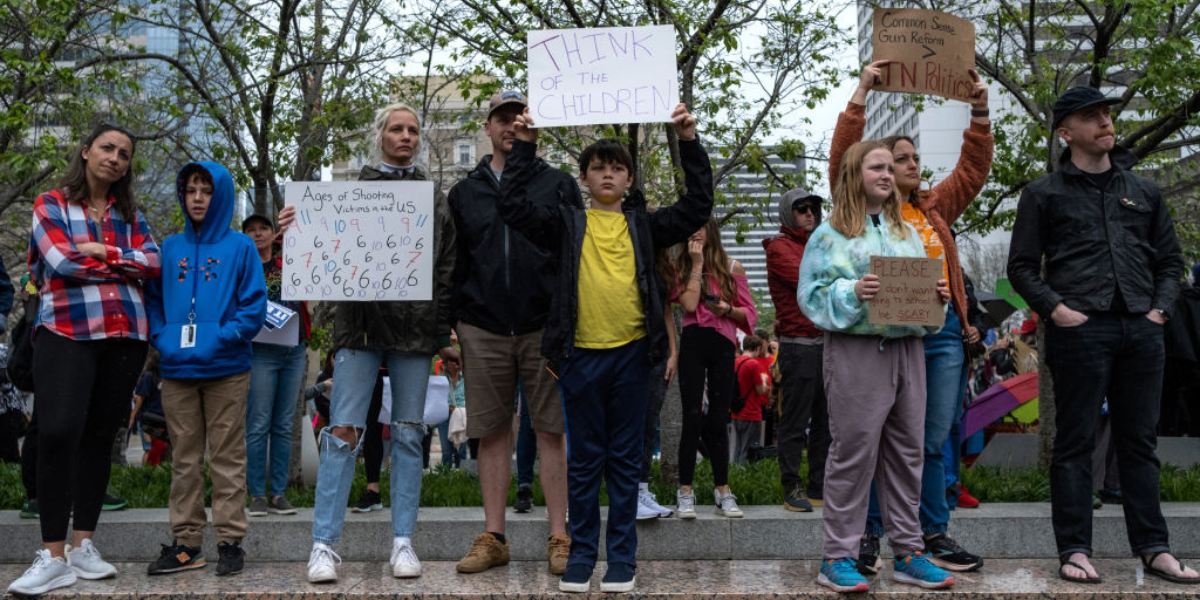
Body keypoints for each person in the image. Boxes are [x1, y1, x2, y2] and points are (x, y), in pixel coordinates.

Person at [499, 103, 711, 593]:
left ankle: (621, 559)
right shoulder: (567, 223)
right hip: (579, 359)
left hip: (634, 357)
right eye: (599, 168)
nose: (608, 174)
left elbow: (698, 205)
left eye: (617, 168)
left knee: (625, 461)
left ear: (630, 179)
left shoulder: (646, 224)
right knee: (585, 460)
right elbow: (511, 206)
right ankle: (580, 557)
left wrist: (688, 140)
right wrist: (526, 145)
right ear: (586, 177)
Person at [1007, 86, 1193, 585]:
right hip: (1080, 330)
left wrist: (1160, 311)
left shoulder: (1144, 190)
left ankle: (1155, 549)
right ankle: (1074, 551)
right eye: (1092, 117)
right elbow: (1022, 267)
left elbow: (1171, 262)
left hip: (1141, 328)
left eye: (1107, 115)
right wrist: (1057, 311)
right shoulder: (1043, 194)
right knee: (1075, 444)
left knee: (1140, 443)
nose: (1106, 123)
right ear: (1066, 133)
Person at [280, 102, 460, 583]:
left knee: (407, 432)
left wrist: (441, 332)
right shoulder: (348, 193)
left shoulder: (435, 198)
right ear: (380, 135)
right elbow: (319, 256)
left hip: (415, 332)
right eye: (397, 129)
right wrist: (294, 234)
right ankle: (323, 545)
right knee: (342, 432)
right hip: (358, 331)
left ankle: (403, 542)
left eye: (413, 130)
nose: (406, 137)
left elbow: (445, 268)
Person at [832, 60, 991, 575]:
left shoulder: (933, 208)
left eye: (916, 157)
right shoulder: (864, 211)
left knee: (932, 437)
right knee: (878, 435)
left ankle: (930, 533)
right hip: (882, 332)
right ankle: (868, 537)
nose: (912, 164)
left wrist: (980, 111)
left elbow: (972, 169)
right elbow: (841, 160)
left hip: (940, 333)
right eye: (900, 158)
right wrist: (860, 95)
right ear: (877, 168)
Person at [7, 123, 161, 597]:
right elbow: (62, 263)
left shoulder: (130, 213)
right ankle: (52, 556)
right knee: (57, 432)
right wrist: (121, 261)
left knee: (99, 437)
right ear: (86, 151)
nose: (116, 158)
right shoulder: (51, 203)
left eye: (125, 153)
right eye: (108, 148)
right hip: (66, 331)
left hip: (126, 335)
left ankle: (84, 545)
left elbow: (153, 262)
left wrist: (103, 250)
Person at [800, 140, 955, 593]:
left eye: (892, 168)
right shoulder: (828, 234)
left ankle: (908, 552)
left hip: (909, 350)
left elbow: (922, 292)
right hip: (856, 350)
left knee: (908, 451)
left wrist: (936, 299)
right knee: (854, 451)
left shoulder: (907, 231)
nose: (888, 175)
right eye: (878, 167)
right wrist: (852, 292)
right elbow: (811, 298)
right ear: (855, 174)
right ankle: (838, 555)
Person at [447, 91, 576, 576]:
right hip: (481, 327)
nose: (510, 126)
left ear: (533, 127)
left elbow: (571, 253)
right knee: (490, 432)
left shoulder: (558, 184)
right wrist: (454, 320)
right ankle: (494, 536)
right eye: (502, 119)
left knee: (551, 430)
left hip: (544, 325)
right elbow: (453, 262)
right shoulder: (464, 193)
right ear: (487, 127)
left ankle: (559, 536)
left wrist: (568, 316)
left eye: (519, 119)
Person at [144, 162, 266, 577]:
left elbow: (253, 306)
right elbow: (154, 300)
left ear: (222, 197)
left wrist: (224, 336)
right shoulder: (170, 247)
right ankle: (186, 544)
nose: (197, 198)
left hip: (227, 368)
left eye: (206, 191)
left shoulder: (241, 247)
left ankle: (231, 542)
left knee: (227, 457)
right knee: (184, 458)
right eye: (191, 190)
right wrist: (161, 336)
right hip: (177, 370)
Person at [671, 216, 756, 519]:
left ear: (712, 230)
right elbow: (690, 306)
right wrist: (695, 264)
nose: (695, 230)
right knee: (692, 417)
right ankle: (685, 491)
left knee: (718, 419)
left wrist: (727, 309)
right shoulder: (682, 266)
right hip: (693, 342)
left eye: (702, 224)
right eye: (692, 225)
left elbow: (750, 316)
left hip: (722, 344)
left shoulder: (733, 268)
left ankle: (723, 491)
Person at [763, 189, 830, 512]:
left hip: (825, 345)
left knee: (825, 422)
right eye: (801, 208)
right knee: (794, 422)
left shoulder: (819, 245)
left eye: (813, 207)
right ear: (788, 213)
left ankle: (818, 486)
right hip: (798, 346)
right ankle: (792, 486)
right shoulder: (779, 247)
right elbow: (810, 278)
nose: (809, 213)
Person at [242, 213, 310, 518]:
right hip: (261, 352)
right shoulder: (241, 267)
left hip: (294, 350)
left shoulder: (291, 262)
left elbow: (316, 257)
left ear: (273, 233)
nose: (257, 235)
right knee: (258, 424)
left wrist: (291, 241)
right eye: (251, 230)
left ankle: (278, 494)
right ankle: (257, 494)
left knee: (283, 425)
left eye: (263, 229)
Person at [731, 335, 771, 465]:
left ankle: (734, 472)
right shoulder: (753, 364)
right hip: (751, 411)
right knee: (748, 448)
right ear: (758, 348)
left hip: (737, 411)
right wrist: (764, 381)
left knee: (737, 446)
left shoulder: (736, 361)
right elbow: (760, 390)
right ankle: (743, 474)